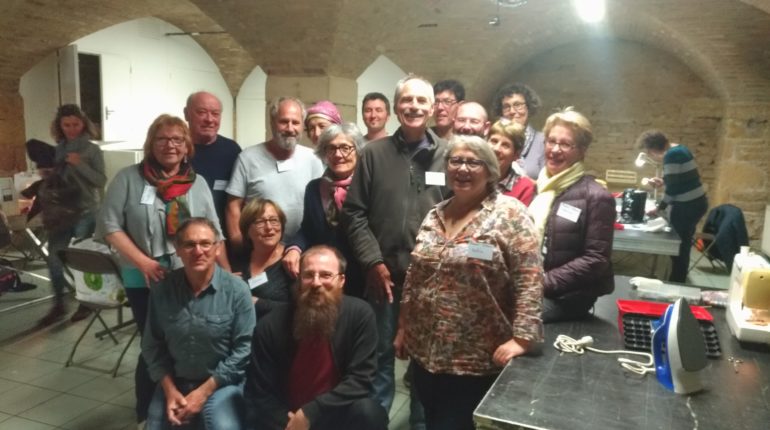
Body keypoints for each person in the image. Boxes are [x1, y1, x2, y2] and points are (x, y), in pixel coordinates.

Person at [394, 135, 543, 430]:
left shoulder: (510, 214)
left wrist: (523, 338)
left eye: (473, 162)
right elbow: (414, 277)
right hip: (426, 354)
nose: (463, 169)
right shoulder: (435, 214)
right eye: (456, 161)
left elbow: (529, 278)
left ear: (490, 171)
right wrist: (403, 327)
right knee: (430, 419)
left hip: (475, 361)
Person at [97, 114, 227, 424]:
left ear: (187, 147)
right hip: (142, 275)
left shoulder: (197, 183)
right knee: (152, 344)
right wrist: (143, 262)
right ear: (151, 144)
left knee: (183, 339)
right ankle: (147, 412)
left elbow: (214, 232)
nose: (170, 145)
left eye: (177, 139)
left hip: (189, 276)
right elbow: (109, 226)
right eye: (162, 139)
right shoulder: (128, 179)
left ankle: (181, 404)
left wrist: (226, 273)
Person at [343, 74, 447, 428]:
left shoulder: (449, 155)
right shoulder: (373, 154)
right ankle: (375, 421)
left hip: (431, 279)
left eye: (421, 100)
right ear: (396, 106)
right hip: (383, 277)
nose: (413, 106)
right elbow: (354, 212)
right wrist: (372, 261)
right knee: (379, 354)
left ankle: (420, 423)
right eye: (407, 100)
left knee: (424, 358)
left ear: (432, 108)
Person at [244, 245, 387, 430]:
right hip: (288, 418)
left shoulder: (360, 314)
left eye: (326, 275)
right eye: (309, 275)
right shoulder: (270, 325)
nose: (316, 283)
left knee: (369, 412)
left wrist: (311, 412)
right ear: (299, 280)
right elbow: (260, 393)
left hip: (336, 411)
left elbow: (361, 378)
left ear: (341, 280)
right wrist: (290, 423)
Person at [143, 217, 255, 430]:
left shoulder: (237, 291)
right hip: (176, 381)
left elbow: (244, 350)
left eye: (205, 244)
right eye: (189, 244)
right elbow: (152, 345)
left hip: (223, 382)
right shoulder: (163, 290)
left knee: (223, 427)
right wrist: (170, 391)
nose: (198, 251)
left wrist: (202, 393)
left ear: (217, 248)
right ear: (177, 249)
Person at [528, 107, 615, 323]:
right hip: (531, 284)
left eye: (565, 144)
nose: (555, 149)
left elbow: (596, 259)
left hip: (567, 297)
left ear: (582, 151)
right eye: (551, 141)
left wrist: (541, 283)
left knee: (509, 318)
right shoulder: (539, 188)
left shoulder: (596, 196)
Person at [225, 97, 324, 252]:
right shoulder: (248, 158)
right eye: (284, 122)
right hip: (260, 251)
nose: (290, 128)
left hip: (303, 249)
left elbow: (321, 204)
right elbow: (233, 205)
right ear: (272, 122)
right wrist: (238, 242)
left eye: (295, 122)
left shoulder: (313, 158)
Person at [40, 104, 106, 325]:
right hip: (60, 212)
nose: (71, 129)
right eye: (66, 125)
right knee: (54, 258)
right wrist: (49, 173)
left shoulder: (92, 150)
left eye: (75, 124)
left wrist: (79, 165)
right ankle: (58, 305)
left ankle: (86, 303)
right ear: (59, 126)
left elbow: (100, 180)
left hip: (85, 211)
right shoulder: (58, 149)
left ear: (83, 123)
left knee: (82, 259)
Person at [283, 124, 366, 298]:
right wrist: (294, 248)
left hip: (363, 274)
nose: (338, 154)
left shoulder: (368, 187)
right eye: (331, 148)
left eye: (345, 148)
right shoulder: (314, 188)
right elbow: (308, 229)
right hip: (324, 277)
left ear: (358, 151)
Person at [637, 130, 708, 283]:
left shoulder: (671, 155)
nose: (650, 155)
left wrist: (660, 208)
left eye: (649, 152)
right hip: (697, 202)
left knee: (678, 246)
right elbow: (679, 177)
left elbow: (673, 189)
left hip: (688, 206)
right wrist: (664, 180)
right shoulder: (680, 149)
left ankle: (676, 282)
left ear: (653, 149)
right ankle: (677, 279)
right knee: (682, 244)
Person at [184, 91, 241, 247]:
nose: (209, 119)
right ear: (186, 114)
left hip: (225, 241)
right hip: (187, 241)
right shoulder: (176, 150)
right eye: (201, 112)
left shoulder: (232, 150)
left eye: (215, 114)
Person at [237, 198, 293, 318]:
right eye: (260, 222)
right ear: (247, 229)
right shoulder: (238, 260)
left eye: (274, 220)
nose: (268, 227)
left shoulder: (292, 261)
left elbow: (300, 309)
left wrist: (257, 303)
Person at [492, 83, 544, 179]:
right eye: (506, 106)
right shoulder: (494, 140)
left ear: (528, 107)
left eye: (517, 105)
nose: (512, 111)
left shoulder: (543, 141)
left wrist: (523, 180)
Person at [488, 120, 536, 206]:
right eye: (494, 141)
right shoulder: (472, 174)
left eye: (505, 145)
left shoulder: (524, 187)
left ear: (516, 155)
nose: (496, 149)